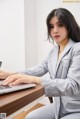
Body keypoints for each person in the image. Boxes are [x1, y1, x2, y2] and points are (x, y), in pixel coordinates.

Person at [0, 8, 80, 119]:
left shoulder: (77, 49)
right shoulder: (53, 51)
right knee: (30, 117)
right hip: (58, 106)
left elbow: (73, 85)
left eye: (60, 25)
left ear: (69, 26)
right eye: (51, 26)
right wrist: (10, 74)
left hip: (76, 108)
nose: (55, 30)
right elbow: (39, 68)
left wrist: (36, 80)